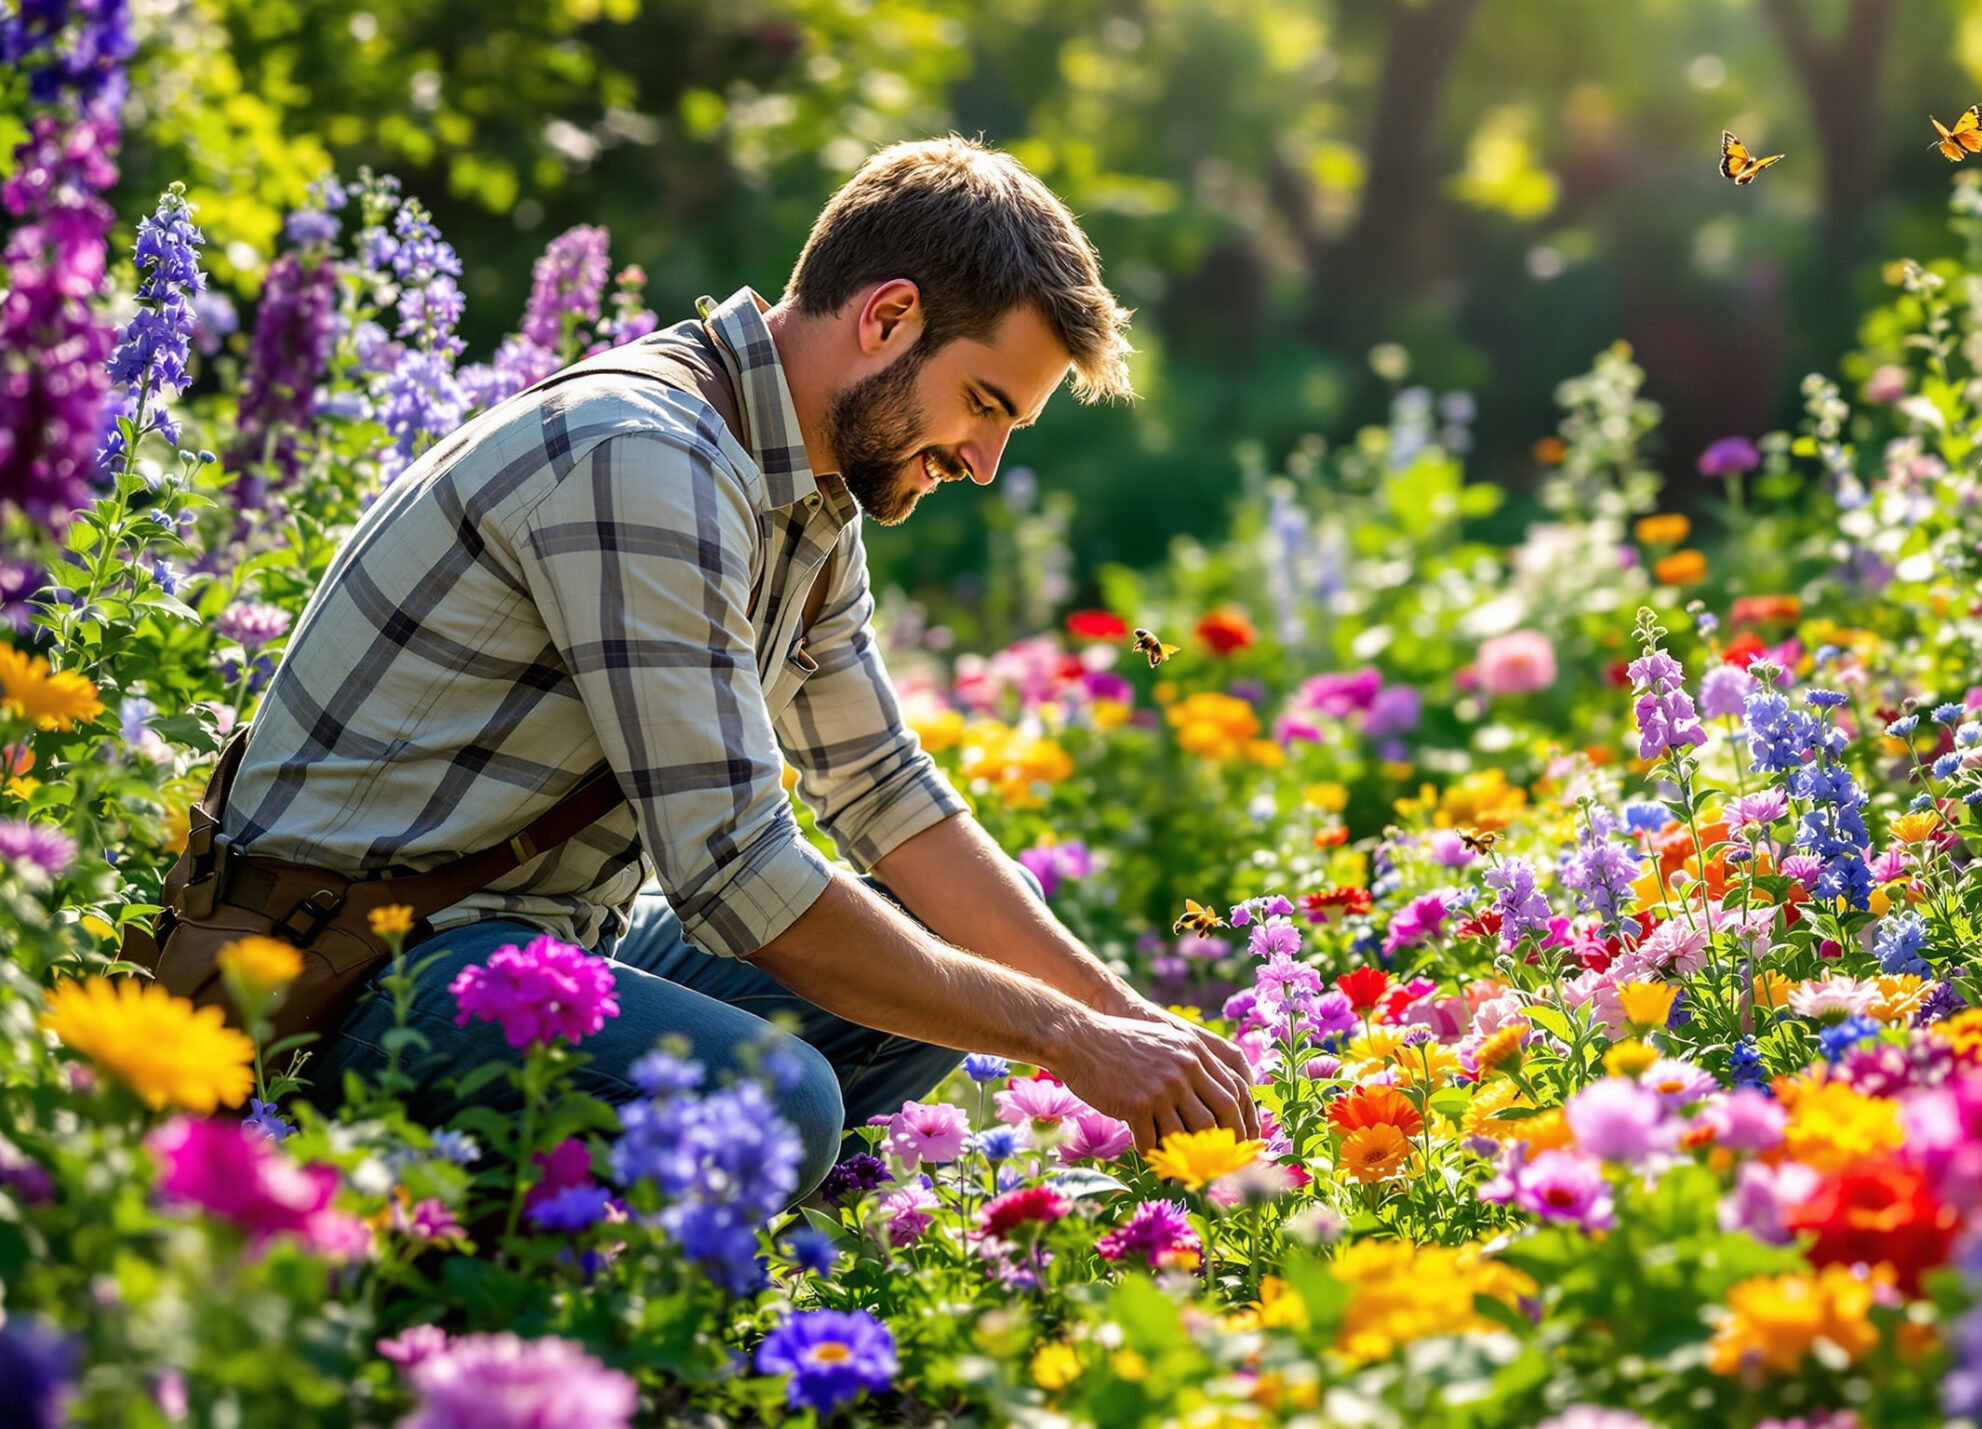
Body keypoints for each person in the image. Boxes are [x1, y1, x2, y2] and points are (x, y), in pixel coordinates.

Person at [230, 137, 1256, 1201]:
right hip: (346, 975)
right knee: (779, 1103)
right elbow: (736, 874)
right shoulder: (645, 457)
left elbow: (883, 790)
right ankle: (449, 1258)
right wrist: (1064, 1037)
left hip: (535, 941)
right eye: (984, 404)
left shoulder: (806, 491)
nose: (985, 463)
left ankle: (624, 1240)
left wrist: (1126, 1021)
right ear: (888, 318)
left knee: (941, 958)